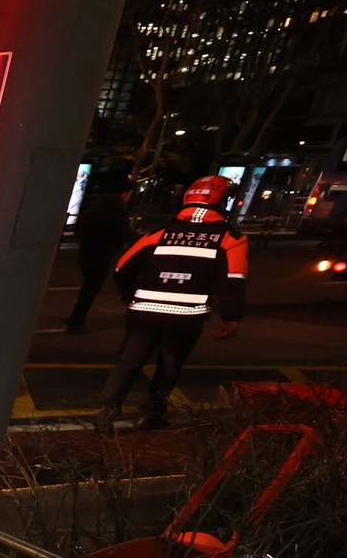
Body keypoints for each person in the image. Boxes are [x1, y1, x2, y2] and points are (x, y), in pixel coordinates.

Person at [93, 174, 246, 434]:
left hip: (143, 311)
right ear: (222, 203)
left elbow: (121, 269)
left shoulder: (158, 234)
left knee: (128, 362)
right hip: (185, 317)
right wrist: (232, 318)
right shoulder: (231, 238)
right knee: (169, 366)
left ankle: (106, 413)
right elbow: (233, 280)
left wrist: (131, 297)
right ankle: (153, 414)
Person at [65, 172, 134, 333]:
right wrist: (134, 235)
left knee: (88, 287)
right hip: (101, 254)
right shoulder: (117, 210)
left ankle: (76, 318)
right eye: (130, 194)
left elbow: (78, 229)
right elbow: (123, 234)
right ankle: (76, 320)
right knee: (90, 289)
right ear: (124, 193)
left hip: (86, 252)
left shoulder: (96, 207)